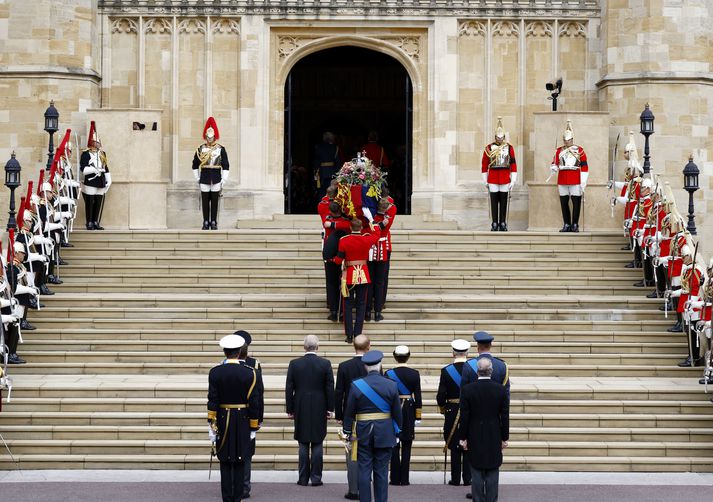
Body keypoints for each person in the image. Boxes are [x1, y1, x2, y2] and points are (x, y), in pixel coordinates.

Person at [342, 350, 402, 502]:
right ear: (380, 365)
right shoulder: (392, 385)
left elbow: (349, 412)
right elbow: (397, 414)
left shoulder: (356, 385)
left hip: (363, 432)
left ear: (365, 367)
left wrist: (347, 432)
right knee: (381, 472)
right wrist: (397, 433)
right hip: (385, 432)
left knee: (364, 470)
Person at [207, 333, 260, 502]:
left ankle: (227, 497)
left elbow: (213, 400)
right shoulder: (250, 372)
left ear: (225, 352)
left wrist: (211, 424)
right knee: (239, 459)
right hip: (243, 419)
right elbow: (254, 402)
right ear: (239, 352)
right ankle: (237, 497)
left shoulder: (215, 372)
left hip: (222, 419)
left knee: (224, 460)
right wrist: (253, 426)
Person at [285, 335, 335, 487]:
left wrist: (290, 408)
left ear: (304, 347)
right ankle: (316, 478)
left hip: (301, 404)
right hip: (320, 404)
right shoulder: (325, 363)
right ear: (317, 347)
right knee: (318, 441)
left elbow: (289, 388)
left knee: (303, 442)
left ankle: (303, 478)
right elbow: (329, 388)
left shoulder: (295, 364)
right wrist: (330, 408)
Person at [459, 358, 510, 502]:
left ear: (477, 372)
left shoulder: (468, 389)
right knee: (493, 469)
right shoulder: (500, 389)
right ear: (491, 371)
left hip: (474, 433)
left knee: (476, 470)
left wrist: (463, 437)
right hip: (494, 433)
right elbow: (504, 415)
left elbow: (465, 416)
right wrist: (504, 437)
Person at [333, 220, 382, 343]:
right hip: (363, 275)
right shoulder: (366, 239)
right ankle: (357, 334)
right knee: (361, 305)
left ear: (350, 227)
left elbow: (339, 260)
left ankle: (349, 335)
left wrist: (334, 260)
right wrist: (373, 223)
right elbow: (377, 235)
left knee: (348, 306)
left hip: (349, 275)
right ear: (361, 228)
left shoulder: (344, 240)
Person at [335, 335, 371, 500]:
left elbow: (339, 392)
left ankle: (353, 489)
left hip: (351, 416)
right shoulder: (374, 364)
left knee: (352, 454)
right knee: (369, 452)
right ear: (368, 347)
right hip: (371, 416)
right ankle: (365, 486)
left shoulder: (344, 366)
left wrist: (340, 415)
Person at [436, 339, 471, 487]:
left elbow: (440, 396)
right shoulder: (473, 370)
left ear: (453, 353)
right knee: (468, 444)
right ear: (467, 353)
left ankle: (455, 479)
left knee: (454, 443)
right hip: (470, 411)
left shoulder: (446, 371)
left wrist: (444, 408)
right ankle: (468, 478)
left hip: (451, 410)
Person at [385, 345, 422, 486]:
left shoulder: (388, 374)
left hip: (393, 409)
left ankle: (394, 478)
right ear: (409, 356)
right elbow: (418, 396)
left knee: (394, 444)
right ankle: (405, 478)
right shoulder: (414, 373)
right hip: (409, 410)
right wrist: (418, 416)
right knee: (407, 444)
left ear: (395, 356)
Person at [234, 330, 263, 499]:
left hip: (239, 413)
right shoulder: (253, 365)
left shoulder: (255, 364)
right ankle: (242, 486)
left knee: (244, 452)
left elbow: (259, 393)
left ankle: (242, 486)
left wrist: (258, 417)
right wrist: (257, 418)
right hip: (245, 415)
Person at [550, 120, 588, 233]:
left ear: (572, 139)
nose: (566, 142)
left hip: (575, 178)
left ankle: (575, 224)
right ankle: (566, 223)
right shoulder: (558, 151)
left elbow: (585, 166)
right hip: (562, 179)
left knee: (576, 202)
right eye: (565, 140)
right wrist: (553, 168)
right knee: (564, 202)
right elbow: (555, 163)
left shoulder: (580, 150)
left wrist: (583, 181)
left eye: (569, 140)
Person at [192, 117, 229, 230]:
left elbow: (226, 165)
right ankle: (205, 221)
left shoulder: (221, 149)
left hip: (216, 177)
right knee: (205, 200)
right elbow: (195, 164)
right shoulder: (200, 149)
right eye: (208, 137)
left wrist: (224, 179)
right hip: (204, 177)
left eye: (211, 137)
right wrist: (197, 177)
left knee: (214, 201)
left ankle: (213, 221)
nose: (209, 139)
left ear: (214, 136)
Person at [481, 117, 517, 231]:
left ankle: (502, 222)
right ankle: (494, 223)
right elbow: (484, 164)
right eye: (498, 137)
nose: (500, 139)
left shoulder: (509, 148)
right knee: (494, 201)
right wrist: (485, 180)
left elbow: (513, 164)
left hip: (505, 177)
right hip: (493, 178)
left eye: (502, 137)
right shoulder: (489, 148)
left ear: (504, 137)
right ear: (495, 137)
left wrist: (513, 180)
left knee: (503, 201)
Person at [366, 198, 394, 322]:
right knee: (379, 282)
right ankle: (377, 312)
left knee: (370, 282)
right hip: (381, 250)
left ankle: (367, 311)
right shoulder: (386, 218)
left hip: (371, 249)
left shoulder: (372, 218)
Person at [80, 121, 111, 230]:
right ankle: (89, 222)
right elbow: (83, 169)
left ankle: (96, 221)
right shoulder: (85, 154)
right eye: (97, 142)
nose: (99, 144)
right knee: (90, 202)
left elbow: (105, 167)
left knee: (98, 201)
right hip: (91, 181)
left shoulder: (102, 154)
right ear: (92, 142)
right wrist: (94, 169)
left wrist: (108, 179)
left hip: (101, 181)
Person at [461, 331, 510, 399]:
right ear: (490, 346)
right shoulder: (502, 365)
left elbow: (463, 391)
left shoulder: (468, 365)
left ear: (477, 346)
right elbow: (506, 393)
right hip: (495, 408)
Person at [314, 132, 342, 199]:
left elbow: (316, 161)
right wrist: (338, 173)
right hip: (332, 171)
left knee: (321, 191)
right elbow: (337, 162)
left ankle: (322, 204)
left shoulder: (318, 147)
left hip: (321, 172)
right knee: (332, 190)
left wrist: (315, 171)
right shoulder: (335, 147)